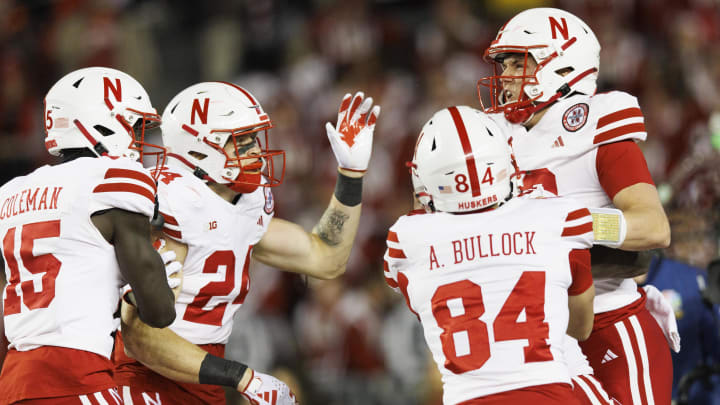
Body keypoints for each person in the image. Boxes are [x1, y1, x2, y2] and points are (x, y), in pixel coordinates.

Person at [112, 81, 380, 405]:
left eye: (253, 137)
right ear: (197, 149)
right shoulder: (173, 205)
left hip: (199, 374)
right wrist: (242, 377)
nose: (254, 150)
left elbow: (325, 258)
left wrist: (350, 176)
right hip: (140, 377)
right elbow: (139, 337)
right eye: (239, 141)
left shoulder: (243, 203)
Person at [477, 7, 673, 404]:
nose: (506, 77)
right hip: (533, 339)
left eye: (519, 63)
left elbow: (654, 227)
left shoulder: (594, 123)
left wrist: (576, 224)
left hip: (607, 321)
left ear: (562, 67)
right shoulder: (496, 137)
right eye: (504, 64)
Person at [386, 106, 597, 404]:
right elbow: (581, 327)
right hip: (549, 395)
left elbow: (426, 310)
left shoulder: (406, 239)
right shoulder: (560, 216)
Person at [0, 67, 177, 405]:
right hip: (75, 376)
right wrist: (148, 286)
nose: (140, 139)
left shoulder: (13, 191)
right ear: (100, 121)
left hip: (14, 380)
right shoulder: (112, 178)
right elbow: (160, 312)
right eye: (134, 125)